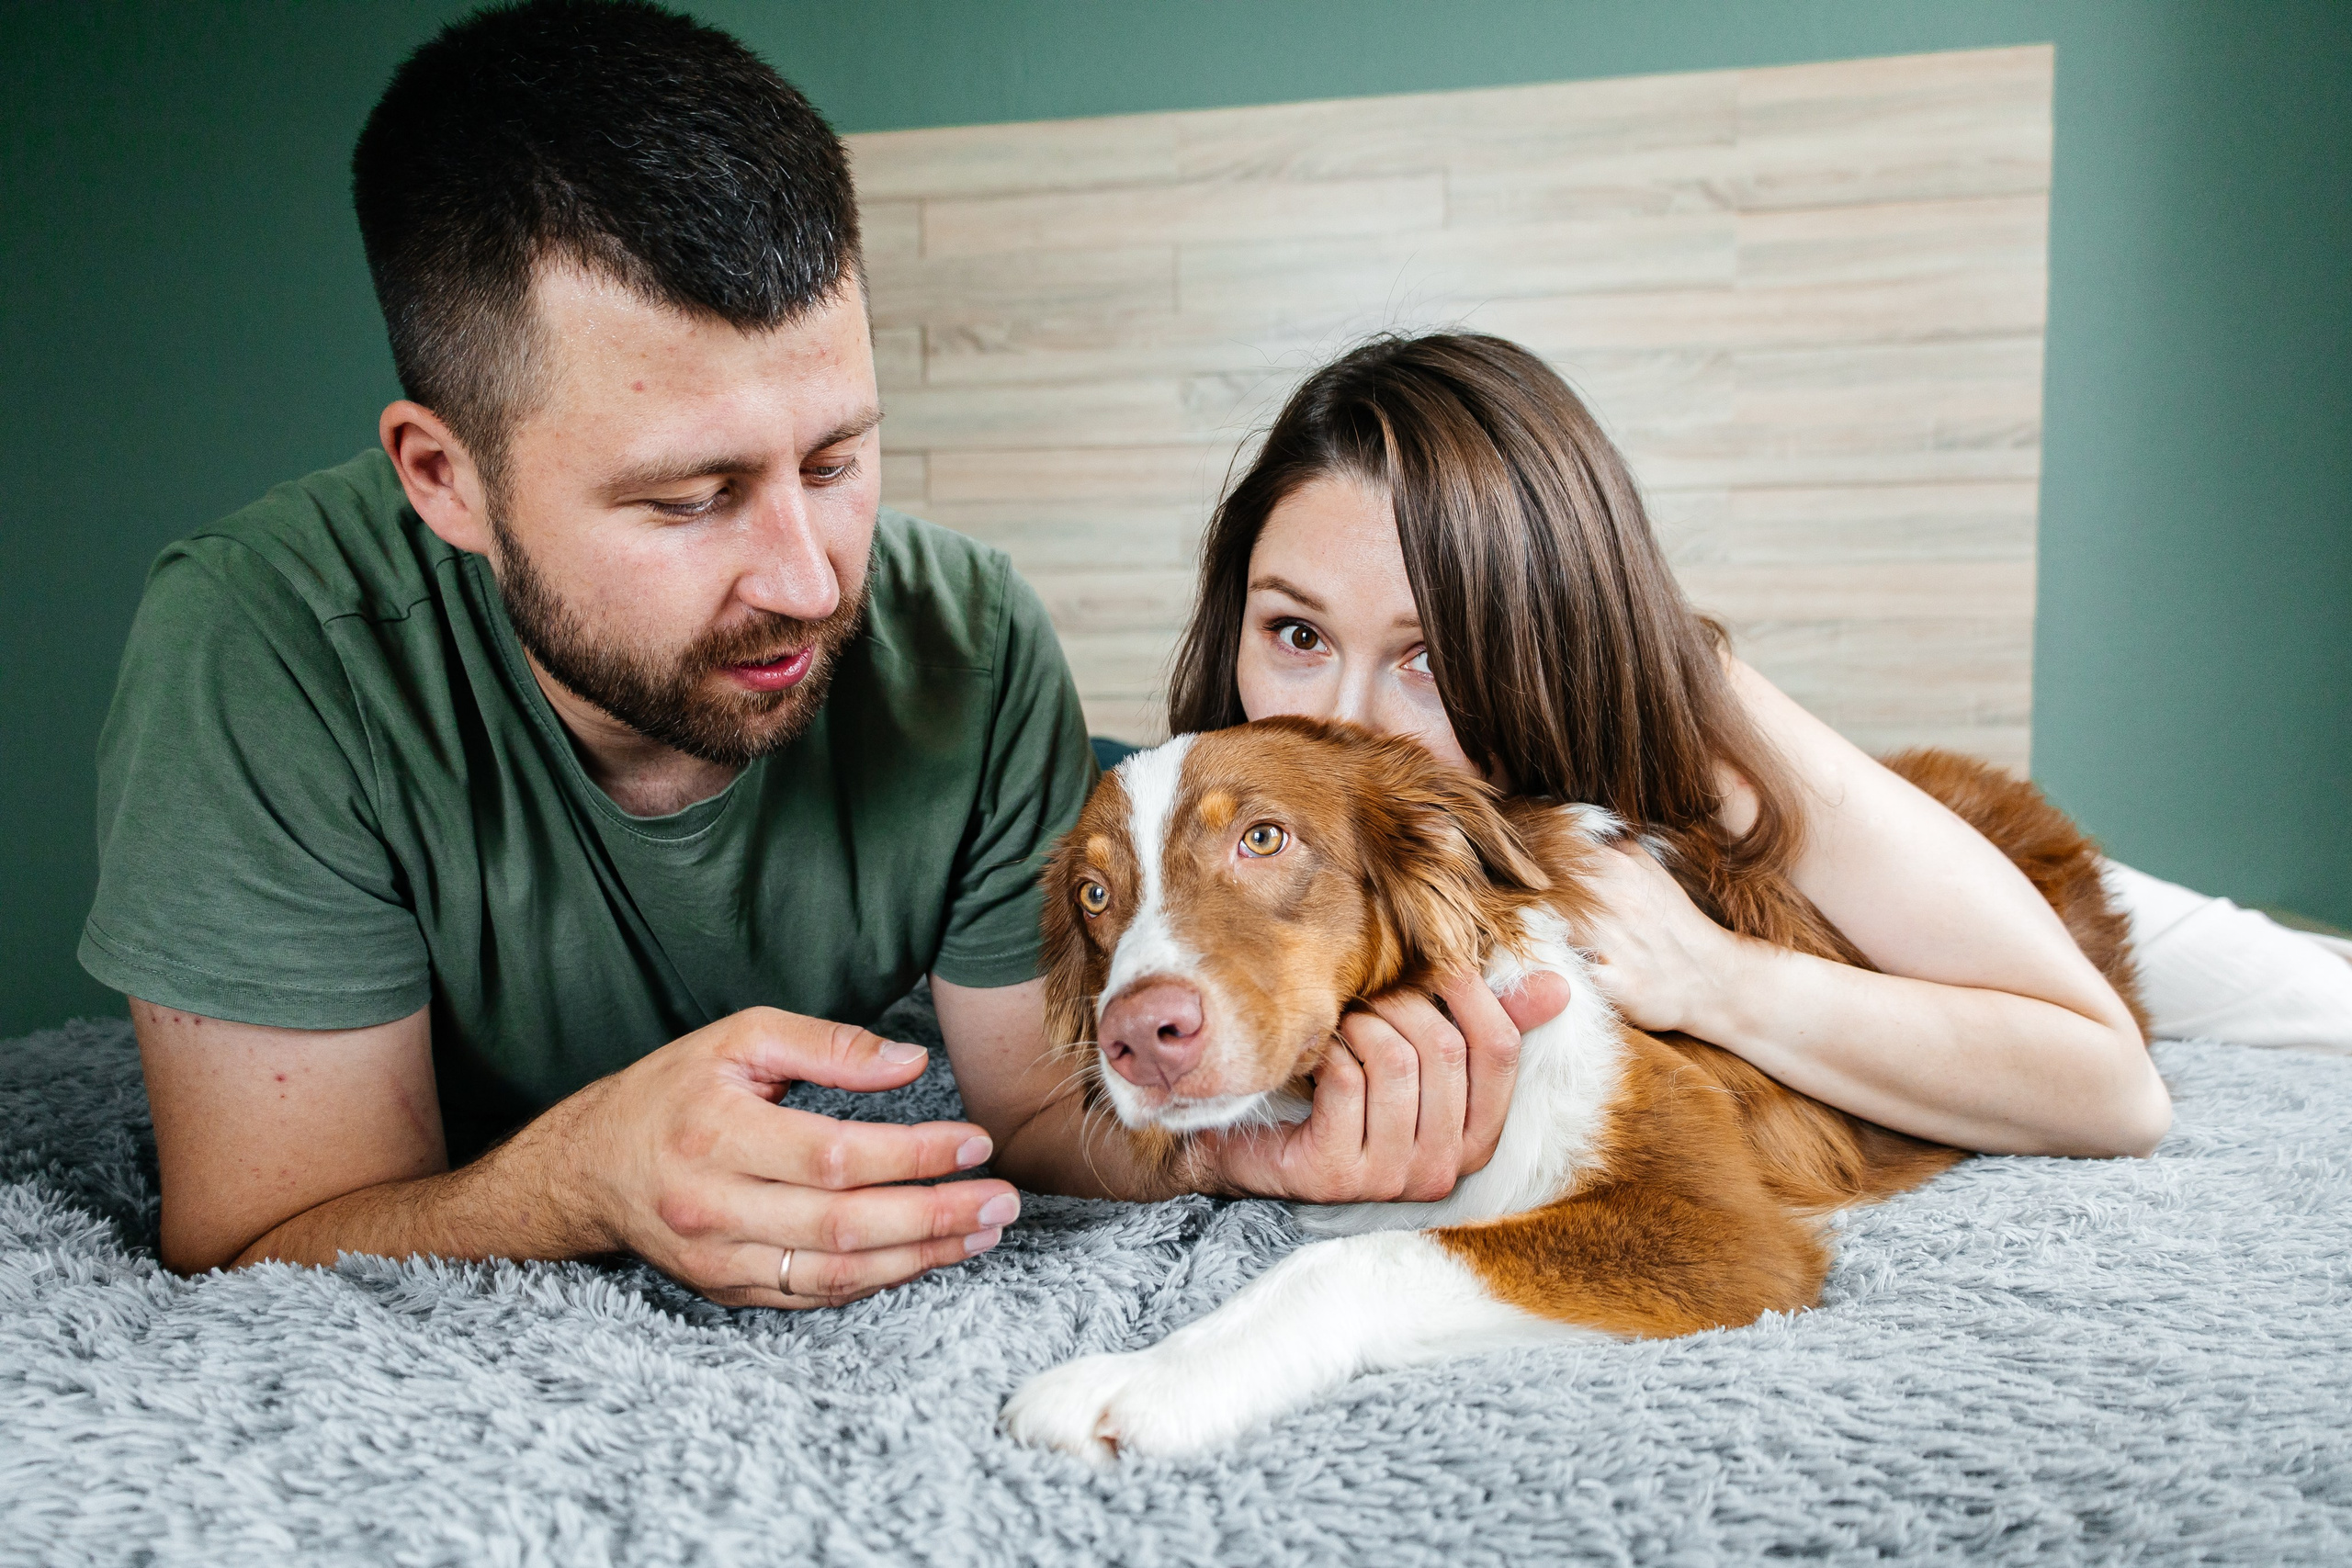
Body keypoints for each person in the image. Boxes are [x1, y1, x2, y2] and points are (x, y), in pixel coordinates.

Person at [85, 3, 1559, 1311]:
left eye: (839, 456)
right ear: (445, 480)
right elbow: (258, 1237)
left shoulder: (970, 637)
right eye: (688, 496)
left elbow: (1051, 1115)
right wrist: (580, 1180)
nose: (808, 577)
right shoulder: (266, 648)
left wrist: (1262, 1144)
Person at [1165, 330, 2329, 1158]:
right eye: (1296, 630)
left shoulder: (1693, 710)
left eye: (1432, 658)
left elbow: (2112, 1088)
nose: (1341, 724)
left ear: (1546, 642)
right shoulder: (1210, 784)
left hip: (1951, 872)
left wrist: (1715, 980)